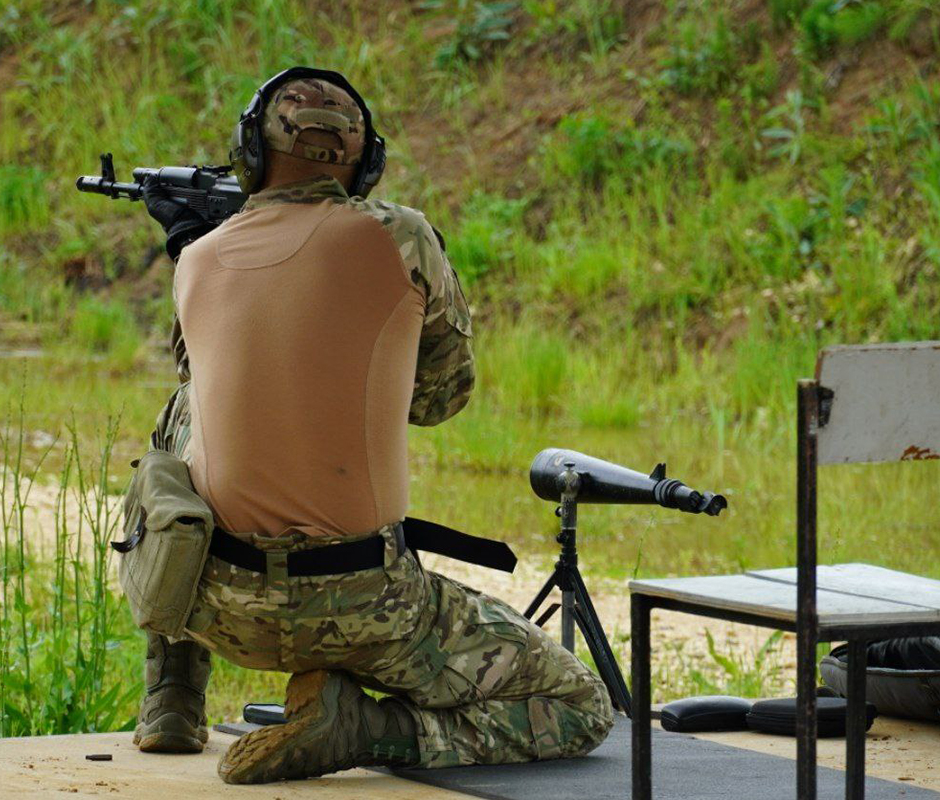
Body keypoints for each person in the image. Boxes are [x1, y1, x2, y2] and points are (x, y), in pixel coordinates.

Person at [132, 67, 612, 784]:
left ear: (251, 154)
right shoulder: (405, 238)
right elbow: (441, 399)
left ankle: (171, 696)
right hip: (368, 608)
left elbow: (209, 383)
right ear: (367, 162)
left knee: (175, 424)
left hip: (217, 605)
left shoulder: (196, 260)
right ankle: (371, 729)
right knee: (580, 704)